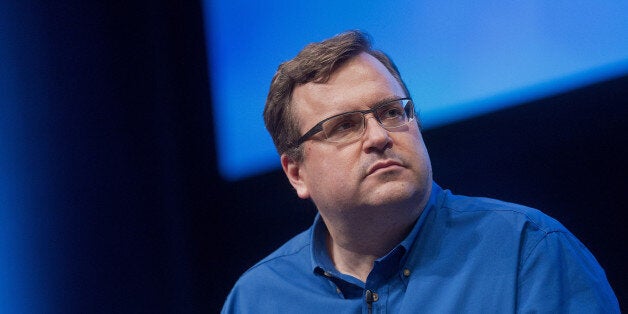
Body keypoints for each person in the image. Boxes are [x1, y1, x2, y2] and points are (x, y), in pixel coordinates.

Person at [221, 30, 619, 313]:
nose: (378, 136)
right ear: (296, 174)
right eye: (345, 126)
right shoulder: (257, 299)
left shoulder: (528, 251)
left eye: (391, 112)